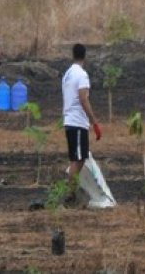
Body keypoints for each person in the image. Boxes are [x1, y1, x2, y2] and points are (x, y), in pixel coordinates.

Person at [62, 42, 101, 199]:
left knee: (80, 157)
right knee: (77, 159)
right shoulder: (81, 75)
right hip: (77, 122)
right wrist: (94, 121)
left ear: (73, 55)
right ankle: (70, 194)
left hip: (69, 120)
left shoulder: (67, 74)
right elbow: (83, 98)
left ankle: (72, 190)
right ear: (85, 56)